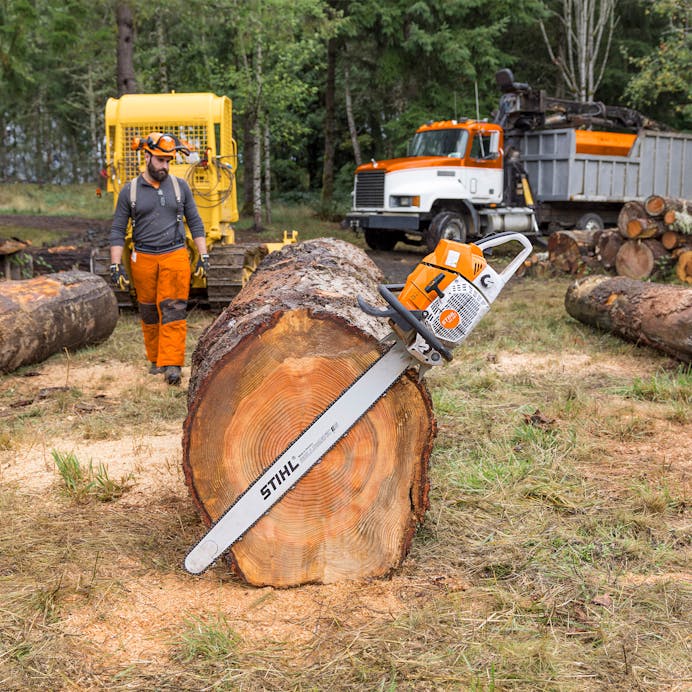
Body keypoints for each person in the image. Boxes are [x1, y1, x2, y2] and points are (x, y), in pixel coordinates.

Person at [109, 132, 209, 386]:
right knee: (149, 310)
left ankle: (173, 364)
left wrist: (203, 254)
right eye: (160, 160)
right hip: (142, 258)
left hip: (174, 255)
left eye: (168, 161)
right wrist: (115, 263)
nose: (165, 166)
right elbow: (118, 230)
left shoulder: (179, 187)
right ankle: (156, 360)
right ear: (147, 156)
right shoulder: (129, 191)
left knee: (174, 309)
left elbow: (195, 222)